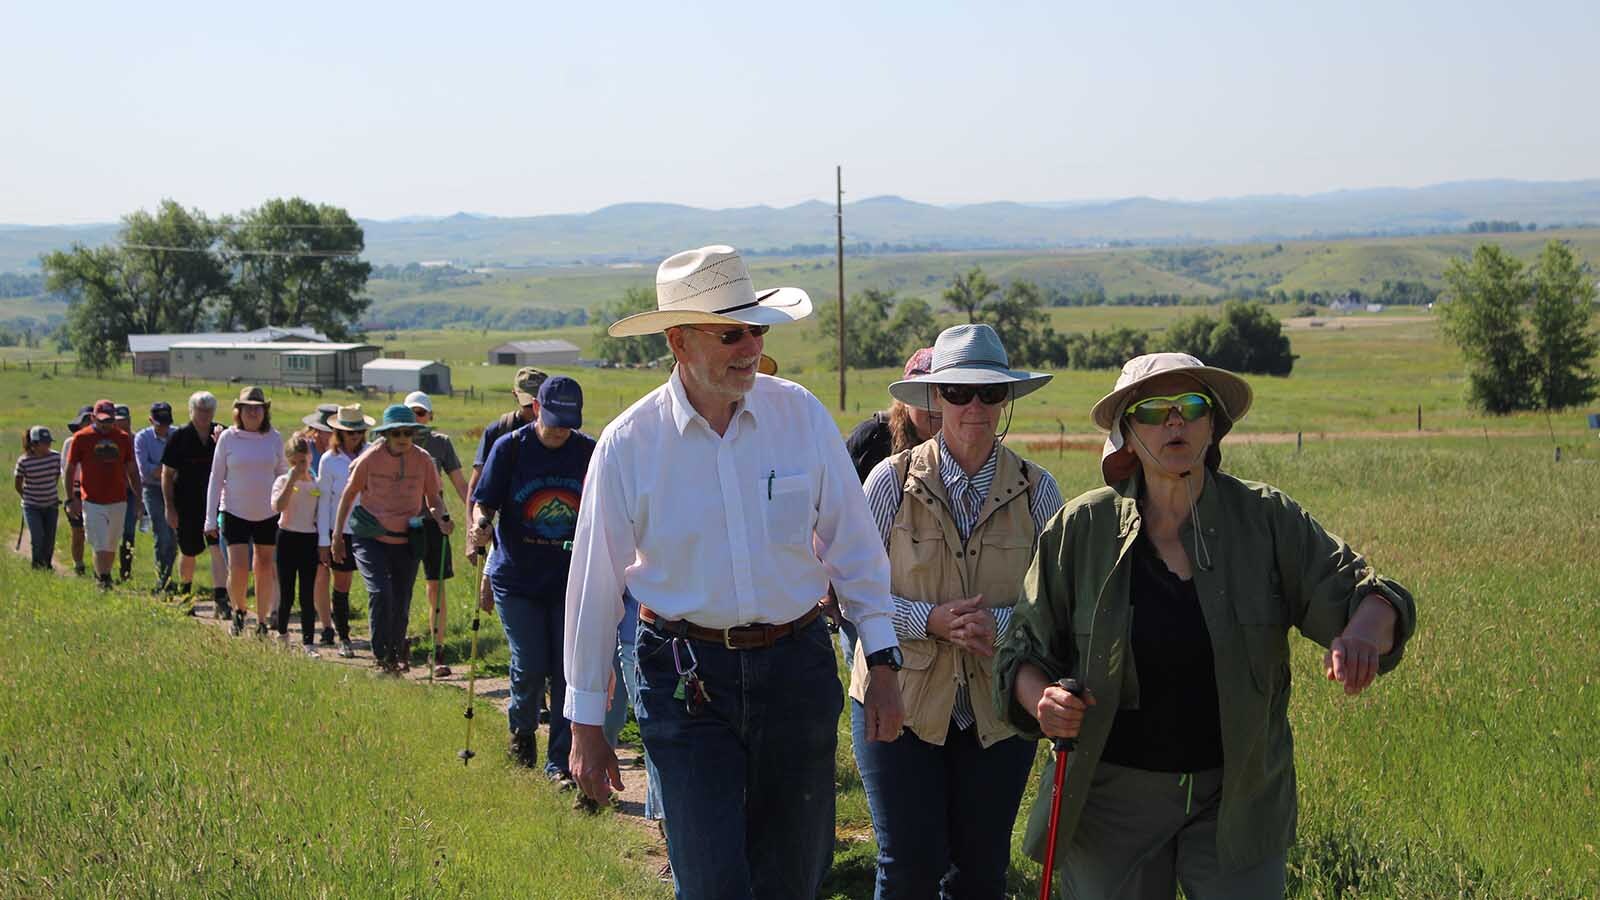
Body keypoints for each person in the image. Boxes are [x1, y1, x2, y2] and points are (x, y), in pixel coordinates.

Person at [994, 352, 1419, 899]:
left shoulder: (1266, 519)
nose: (1176, 420)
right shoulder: (1083, 527)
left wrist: (1362, 632)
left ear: (1213, 425)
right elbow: (1020, 653)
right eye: (1155, 410)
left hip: (1237, 797)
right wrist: (1043, 701)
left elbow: (1375, 595)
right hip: (1110, 799)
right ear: (1127, 435)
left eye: (1192, 406)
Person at [564, 245, 905, 899]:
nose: (751, 347)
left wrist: (883, 659)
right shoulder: (630, 444)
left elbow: (856, 548)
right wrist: (584, 724)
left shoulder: (799, 415)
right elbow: (594, 589)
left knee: (794, 880)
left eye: (756, 330)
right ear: (678, 342)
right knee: (713, 883)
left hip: (797, 668)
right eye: (731, 334)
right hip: (684, 675)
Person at [847, 323, 1062, 899]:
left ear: (1006, 399)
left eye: (989, 392)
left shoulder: (1040, 491)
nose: (974, 406)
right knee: (907, 866)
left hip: (998, 708)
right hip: (900, 699)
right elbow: (855, 593)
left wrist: (1004, 627)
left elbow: (1059, 604)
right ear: (935, 398)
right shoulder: (888, 482)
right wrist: (929, 621)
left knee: (980, 872)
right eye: (959, 391)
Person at [468, 376, 593, 782]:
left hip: (567, 580)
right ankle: (522, 733)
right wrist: (480, 525)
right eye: (553, 420)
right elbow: (484, 502)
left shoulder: (588, 452)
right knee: (531, 663)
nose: (560, 430)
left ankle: (560, 763)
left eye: (568, 423)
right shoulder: (510, 448)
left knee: (565, 670)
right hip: (517, 578)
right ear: (536, 409)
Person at [830, 346, 942, 661]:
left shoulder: (962, 449)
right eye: (923, 396)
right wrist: (830, 588)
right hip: (866, 585)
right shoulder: (872, 438)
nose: (935, 407)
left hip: (927, 591)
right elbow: (831, 512)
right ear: (904, 399)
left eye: (944, 395)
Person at [331, 405, 451, 674]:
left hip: (407, 538)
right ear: (386, 435)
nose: (403, 438)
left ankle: (395, 655)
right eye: (397, 433)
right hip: (370, 537)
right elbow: (348, 495)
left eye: (408, 432)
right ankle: (381, 656)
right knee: (380, 592)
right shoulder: (369, 459)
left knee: (401, 599)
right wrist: (337, 535)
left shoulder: (424, 460)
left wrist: (442, 518)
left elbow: (433, 498)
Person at [205, 386, 287, 637]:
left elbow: (283, 474)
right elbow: (216, 477)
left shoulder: (274, 438)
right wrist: (210, 519)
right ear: (238, 411)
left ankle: (261, 620)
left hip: (267, 513)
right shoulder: (228, 438)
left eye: (258, 408)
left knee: (264, 567)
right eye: (248, 408)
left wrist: (285, 508)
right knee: (238, 568)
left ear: (265, 411)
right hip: (234, 511)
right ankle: (239, 610)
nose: (253, 412)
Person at [404, 391, 471, 677]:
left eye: (421, 413)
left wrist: (474, 517)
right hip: (403, 521)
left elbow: (460, 484)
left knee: (436, 585)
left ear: (430, 416)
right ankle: (398, 642)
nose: (416, 418)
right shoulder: (396, 441)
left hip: (434, 522)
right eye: (411, 413)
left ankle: (437, 648)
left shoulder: (441, 443)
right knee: (401, 586)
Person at [161, 391, 229, 616]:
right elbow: (167, 474)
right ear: (191, 411)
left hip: (216, 503)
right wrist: (169, 507)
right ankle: (186, 595)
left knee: (217, 549)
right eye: (200, 410)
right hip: (186, 503)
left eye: (208, 411)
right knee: (188, 550)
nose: (204, 415)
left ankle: (221, 599)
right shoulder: (179, 437)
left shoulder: (222, 434)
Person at [63, 400, 143, 590]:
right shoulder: (82, 438)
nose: (106, 425)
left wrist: (139, 498)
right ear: (93, 418)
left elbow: (132, 470)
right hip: (92, 499)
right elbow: (70, 469)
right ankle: (104, 578)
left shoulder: (123, 438)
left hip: (118, 499)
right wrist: (70, 498)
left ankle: (103, 575)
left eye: (109, 421)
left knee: (111, 543)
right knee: (99, 541)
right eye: (101, 421)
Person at [316, 405, 375, 659]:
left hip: (369, 528)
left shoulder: (372, 454)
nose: (355, 436)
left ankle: (380, 635)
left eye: (359, 431)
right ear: (339, 433)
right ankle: (343, 636)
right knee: (342, 583)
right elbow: (324, 501)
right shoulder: (329, 460)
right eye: (350, 432)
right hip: (340, 530)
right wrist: (325, 539)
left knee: (376, 584)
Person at [272, 428, 323, 657]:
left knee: (307, 594)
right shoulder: (282, 481)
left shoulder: (316, 484)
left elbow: (320, 511)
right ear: (289, 461)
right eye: (296, 462)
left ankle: (309, 642)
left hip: (308, 539)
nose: (302, 465)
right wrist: (292, 480)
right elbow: (278, 506)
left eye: (305, 460)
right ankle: (282, 634)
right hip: (287, 537)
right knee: (287, 592)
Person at [301, 403, 340, 645]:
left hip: (337, 518)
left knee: (340, 575)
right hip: (309, 520)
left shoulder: (342, 452)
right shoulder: (304, 449)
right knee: (321, 573)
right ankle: (327, 626)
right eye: (326, 431)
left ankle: (337, 618)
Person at [134, 401, 178, 592]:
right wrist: (169, 469)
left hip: (175, 490)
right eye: (160, 424)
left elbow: (182, 465)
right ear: (151, 420)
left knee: (173, 535)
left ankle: (168, 576)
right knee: (161, 533)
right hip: (152, 490)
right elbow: (146, 471)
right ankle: (162, 579)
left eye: (167, 423)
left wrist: (163, 469)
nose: (164, 428)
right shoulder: (142, 438)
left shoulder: (177, 435)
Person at [15, 426, 62, 570]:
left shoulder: (56, 457)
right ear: (34, 444)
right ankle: (36, 564)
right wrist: (27, 497)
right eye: (44, 443)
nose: (48, 445)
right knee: (37, 537)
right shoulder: (24, 461)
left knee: (49, 538)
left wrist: (49, 491)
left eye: (49, 442)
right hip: (31, 506)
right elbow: (18, 483)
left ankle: (47, 565)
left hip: (51, 505)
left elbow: (56, 476)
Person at [59, 406, 93, 576]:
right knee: (77, 531)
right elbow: (65, 470)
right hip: (76, 491)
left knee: (96, 533)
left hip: (95, 491)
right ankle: (78, 565)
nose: (88, 424)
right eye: (85, 421)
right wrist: (71, 497)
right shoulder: (70, 443)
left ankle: (100, 567)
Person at [113, 403, 138, 582]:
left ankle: (125, 572)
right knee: (110, 533)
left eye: (124, 421)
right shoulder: (109, 442)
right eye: (117, 422)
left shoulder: (136, 440)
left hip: (131, 493)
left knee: (129, 531)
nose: (121, 425)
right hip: (112, 492)